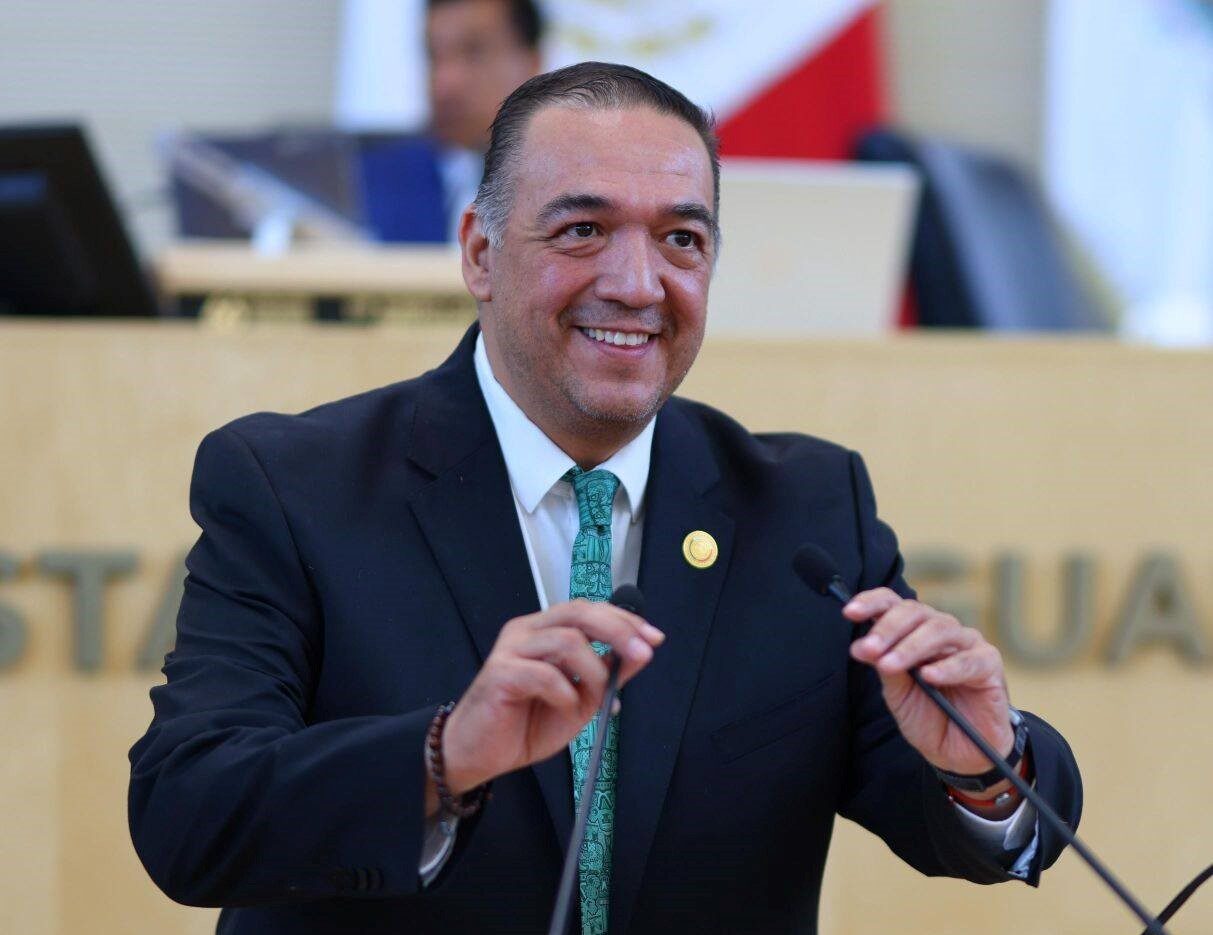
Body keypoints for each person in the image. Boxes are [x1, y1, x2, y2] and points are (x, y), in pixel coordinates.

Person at [129, 62, 1082, 934]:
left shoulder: (806, 510)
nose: (636, 284)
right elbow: (187, 810)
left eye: (680, 239)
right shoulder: (293, 486)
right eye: (582, 231)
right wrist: (442, 756)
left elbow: (961, 821)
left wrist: (982, 763)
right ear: (479, 253)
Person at [360, 0, 543, 243]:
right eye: (433, 56)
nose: (444, 81)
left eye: (473, 52)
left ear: (532, 64)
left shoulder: (569, 186)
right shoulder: (365, 184)